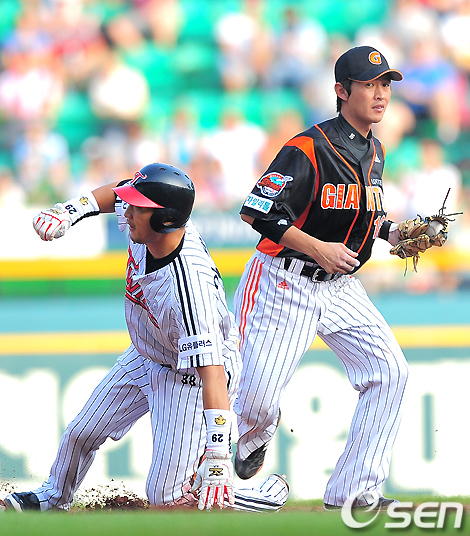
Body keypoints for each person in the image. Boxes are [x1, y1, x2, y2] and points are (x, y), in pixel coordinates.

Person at [3, 163, 289, 512]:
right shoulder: (153, 227)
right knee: (81, 432)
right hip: (148, 351)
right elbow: (119, 190)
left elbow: (213, 373)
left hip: (190, 375)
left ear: (166, 219)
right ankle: (52, 498)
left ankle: (263, 496)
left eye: (138, 207)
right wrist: (71, 210)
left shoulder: (189, 288)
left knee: (166, 498)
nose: (127, 211)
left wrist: (218, 458)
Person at [232, 46, 410, 509]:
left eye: (385, 84)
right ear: (341, 91)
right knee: (254, 399)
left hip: (341, 286)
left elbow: (364, 214)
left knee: (390, 372)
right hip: (283, 282)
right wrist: (317, 247)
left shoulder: (376, 151)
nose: (380, 93)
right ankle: (253, 435)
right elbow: (257, 212)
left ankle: (355, 490)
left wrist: (395, 233)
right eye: (369, 84)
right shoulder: (308, 147)